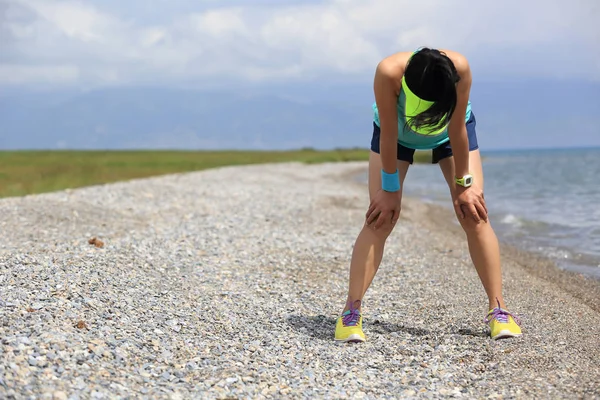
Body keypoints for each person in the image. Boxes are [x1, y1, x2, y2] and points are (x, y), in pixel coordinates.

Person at [334, 47, 522, 343]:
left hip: (450, 137)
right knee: (380, 218)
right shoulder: (388, 72)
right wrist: (390, 190)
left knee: (473, 212)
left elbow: (458, 127)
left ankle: (499, 310)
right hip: (396, 137)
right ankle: (350, 313)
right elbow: (387, 134)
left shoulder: (459, 67)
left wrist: (464, 183)